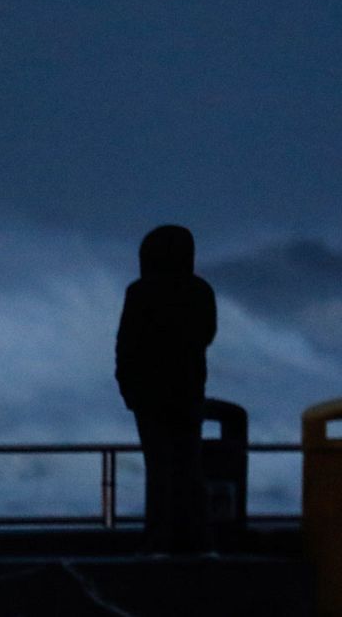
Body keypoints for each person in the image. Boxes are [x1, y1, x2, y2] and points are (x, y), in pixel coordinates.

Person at [115, 225, 217, 553]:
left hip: (150, 396)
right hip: (188, 392)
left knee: (159, 469)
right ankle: (199, 542)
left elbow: (126, 344)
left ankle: (159, 541)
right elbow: (208, 334)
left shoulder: (140, 292)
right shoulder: (200, 291)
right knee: (190, 469)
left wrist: (128, 387)